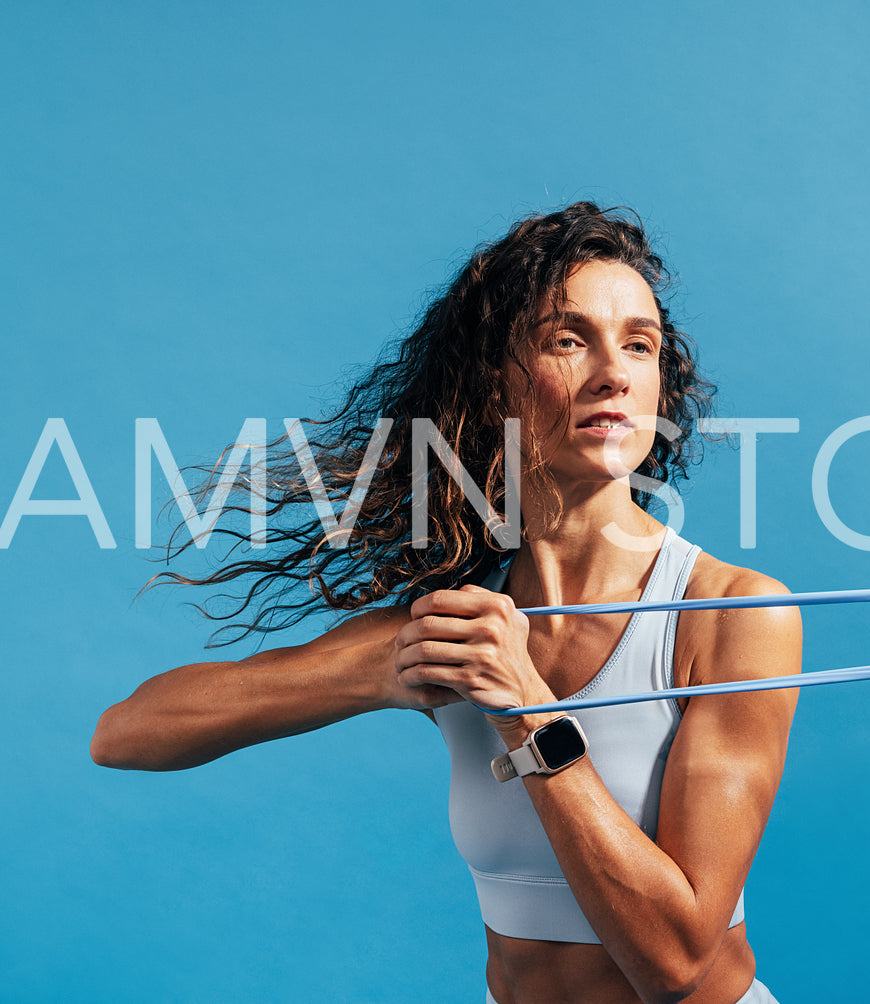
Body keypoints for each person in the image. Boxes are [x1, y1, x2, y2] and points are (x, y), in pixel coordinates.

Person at [91, 202, 801, 1004]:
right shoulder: (456, 620)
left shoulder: (729, 612)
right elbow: (125, 735)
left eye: (639, 344)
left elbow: (674, 964)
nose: (614, 371)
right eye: (568, 339)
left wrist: (529, 713)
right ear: (491, 379)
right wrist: (380, 674)